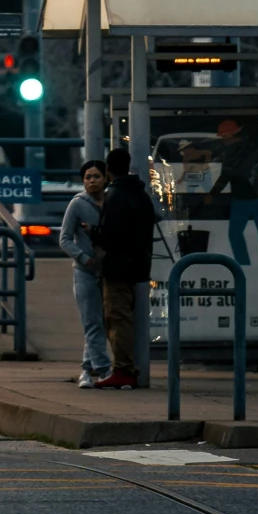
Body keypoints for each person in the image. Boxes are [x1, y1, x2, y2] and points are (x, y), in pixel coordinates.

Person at [92, 148, 157, 390]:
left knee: (117, 317)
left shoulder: (115, 195)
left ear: (108, 170)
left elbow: (110, 234)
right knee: (125, 317)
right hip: (138, 263)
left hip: (118, 266)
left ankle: (123, 369)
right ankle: (125, 367)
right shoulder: (140, 194)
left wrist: (92, 231)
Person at [60, 160, 113, 389]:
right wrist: (83, 257)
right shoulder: (77, 204)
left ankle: (86, 370)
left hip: (109, 270)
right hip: (84, 272)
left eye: (96, 176)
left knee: (100, 322)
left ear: (105, 178)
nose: (92, 181)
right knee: (92, 322)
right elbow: (64, 239)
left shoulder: (112, 202)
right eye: (88, 177)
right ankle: (104, 370)